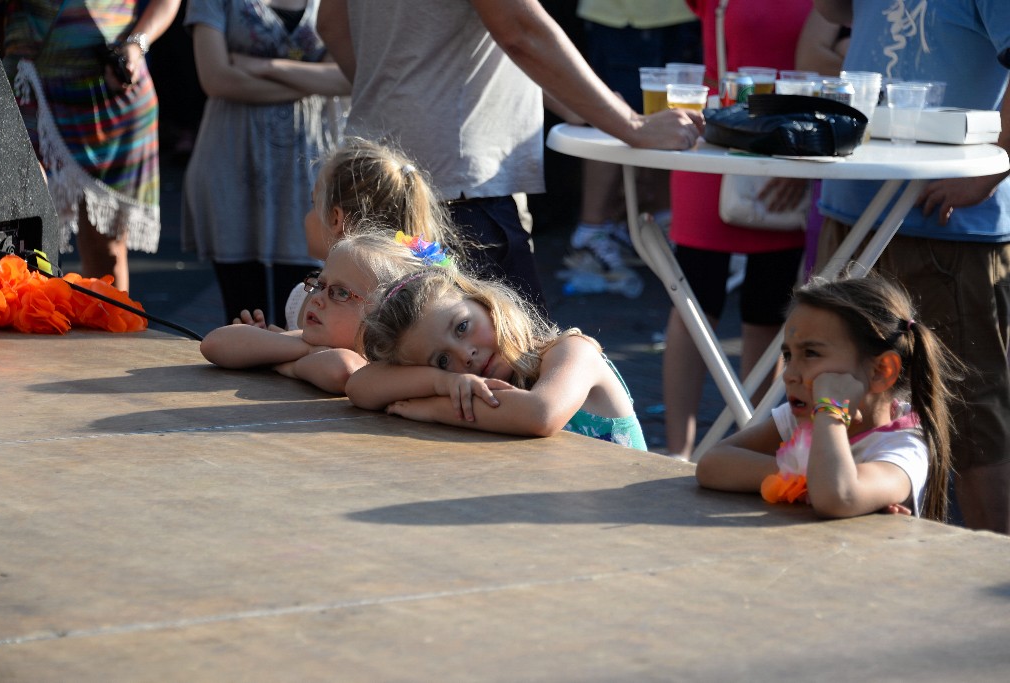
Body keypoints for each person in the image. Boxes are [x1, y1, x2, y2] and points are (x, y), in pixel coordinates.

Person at [317, 0, 704, 313]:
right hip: (458, 191)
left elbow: (331, 23)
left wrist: (398, 91)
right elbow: (517, 27)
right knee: (507, 377)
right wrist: (632, 125)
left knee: (394, 371)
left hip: (373, 173)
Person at [814, 0, 1010, 534]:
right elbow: (831, 13)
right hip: (853, 209)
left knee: (969, 419)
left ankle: (994, 581)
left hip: (948, 230)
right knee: (844, 398)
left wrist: (990, 173)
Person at [660, 0, 814, 460]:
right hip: (718, 148)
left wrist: (804, 156)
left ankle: (753, 444)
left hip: (794, 153)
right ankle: (674, 452)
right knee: (692, 300)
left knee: (769, 308)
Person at [695, 275, 961, 522]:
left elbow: (837, 497)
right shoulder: (800, 417)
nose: (789, 375)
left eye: (810, 353)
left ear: (881, 371)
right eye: (788, 356)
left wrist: (831, 412)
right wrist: (807, 479)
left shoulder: (904, 447)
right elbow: (712, 463)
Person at [181, 0, 350, 327]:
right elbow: (217, 80)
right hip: (233, 163)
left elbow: (345, 78)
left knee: (305, 316)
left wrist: (264, 67)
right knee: (242, 315)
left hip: (307, 172)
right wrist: (308, 81)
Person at [346, 268, 647, 450]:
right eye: (441, 360)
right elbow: (360, 386)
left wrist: (435, 408)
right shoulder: (460, 384)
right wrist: (444, 381)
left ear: (483, 301)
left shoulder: (573, 352)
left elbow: (540, 415)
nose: (465, 356)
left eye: (462, 327)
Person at [0, 0, 182, 292]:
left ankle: (107, 331)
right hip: (28, 85)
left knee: (105, 250)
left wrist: (136, 44)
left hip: (109, 96)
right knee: (16, 233)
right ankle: (28, 319)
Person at [237, 137, 465, 332]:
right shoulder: (305, 295)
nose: (307, 216)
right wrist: (267, 340)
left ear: (336, 219)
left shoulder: (375, 310)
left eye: (313, 203)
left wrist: (278, 347)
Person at [564, 0, 702, 289]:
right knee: (612, 115)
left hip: (684, 12)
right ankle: (592, 233)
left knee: (670, 121)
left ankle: (659, 224)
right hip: (625, 16)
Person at [200, 231, 435, 394]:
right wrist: (303, 349)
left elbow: (341, 370)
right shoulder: (317, 341)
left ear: (383, 314)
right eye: (321, 285)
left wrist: (273, 357)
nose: (318, 299)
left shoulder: (373, 361)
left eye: (341, 293)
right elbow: (214, 344)